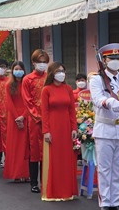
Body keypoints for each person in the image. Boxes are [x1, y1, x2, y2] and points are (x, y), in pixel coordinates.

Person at [90, 43, 119, 210]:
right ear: (104, 60)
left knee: (118, 169)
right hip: (105, 130)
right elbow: (97, 99)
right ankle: (105, 202)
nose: (115, 61)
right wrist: (109, 102)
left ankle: (116, 201)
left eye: (118, 58)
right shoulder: (97, 80)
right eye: (111, 58)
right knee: (105, 168)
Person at [40, 62, 79, 201]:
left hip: (66, 127)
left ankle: (67, 191)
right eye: (58, 71)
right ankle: (53, 191)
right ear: (52, 73)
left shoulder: (68, 89)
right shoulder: (46, 90)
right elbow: (44, 112)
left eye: (63, 71)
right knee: (54, 160)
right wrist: (46, 131)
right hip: (53, 127)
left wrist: (74, 128)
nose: (61, 73)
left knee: (66, 159)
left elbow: (71, 110)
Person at [22, 49, 50, 193]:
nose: (42, 64)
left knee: (47, 151)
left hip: (49, 121)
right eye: (40, 62)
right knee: (35, 150)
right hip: (34, 121)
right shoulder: (27, 79)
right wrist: (37, 116)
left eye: (45, 62)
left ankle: (46, 180)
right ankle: (34, 182)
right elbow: (27, 101)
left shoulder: (50, 78)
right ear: (33, 63)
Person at [2, 60, 30, 182]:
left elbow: (30, 102)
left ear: (24, 70)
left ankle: (26, 173)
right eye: (16, 69)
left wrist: (23, 116)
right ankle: (16, 174)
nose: (18, 71)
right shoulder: (9, 85)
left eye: (20, 69)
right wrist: (17, 118)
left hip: (27, 116)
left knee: (25, 147)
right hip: (13, 118)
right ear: (12, 71)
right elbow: (8, 102)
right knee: (15, 146)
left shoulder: (27, 83)